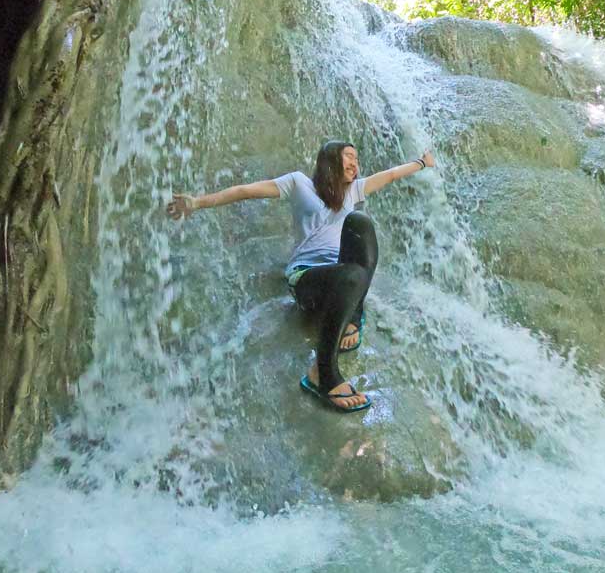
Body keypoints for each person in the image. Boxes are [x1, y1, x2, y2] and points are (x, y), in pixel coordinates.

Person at [166, 140, 435, 412]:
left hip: (345, 276)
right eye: (349, 157)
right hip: (308, 278)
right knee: (353, 274)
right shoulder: (298, 183)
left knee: (360, 223)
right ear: (330, 160)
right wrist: (197, 203)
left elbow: (389, 175)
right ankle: (323, 374)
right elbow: (246, 191)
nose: (355, 164)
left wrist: (422, 163)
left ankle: (353, 316)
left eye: (357, 159)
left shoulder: (353, 191)